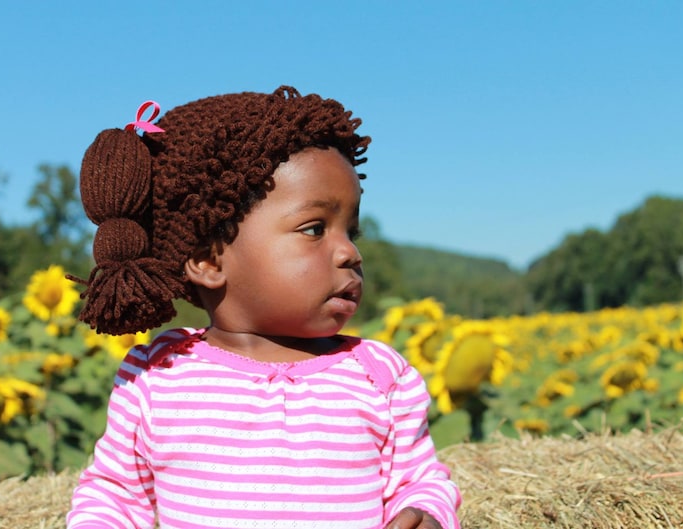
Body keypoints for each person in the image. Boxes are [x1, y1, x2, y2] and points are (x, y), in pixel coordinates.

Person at [66, 86, 461, 529]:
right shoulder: (158, 377)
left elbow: (420, 479)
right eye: (315, 229)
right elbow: (114, 494)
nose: (350, 252)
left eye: (351, 231)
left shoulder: (380, 376)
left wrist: (426, 512)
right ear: (207, 260)